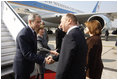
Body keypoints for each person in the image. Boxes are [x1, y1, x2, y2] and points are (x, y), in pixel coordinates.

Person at [54, 13, 87, 79]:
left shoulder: (70, 36)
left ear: (69, 21)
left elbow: (64, 64)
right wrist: (54, 58)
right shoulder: (80, 33)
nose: (60, 25)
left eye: (61, 22)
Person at [13, 13, 44, 79]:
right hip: (21, 68)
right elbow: (27, 53)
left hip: (27, 67)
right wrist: (43, 60)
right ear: (30, 22)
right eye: (37, 22)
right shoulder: (23, 34)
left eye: (40, 22)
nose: (39, 24)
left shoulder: (33, 32)